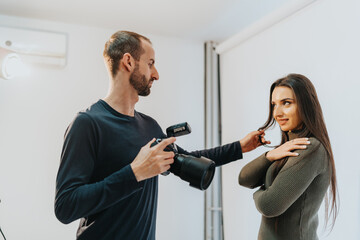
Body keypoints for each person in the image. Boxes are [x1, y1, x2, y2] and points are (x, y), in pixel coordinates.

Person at [54, 31, 265, 240]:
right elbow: (65, 206)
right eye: (150, 63)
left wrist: (240, 147)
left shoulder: (149, 126)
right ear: (128, 61)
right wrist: (134, 173)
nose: (156, 74)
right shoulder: (87, 123)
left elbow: (186, 159)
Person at [238, 74, 338, 240]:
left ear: (306, 104)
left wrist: (258, 192)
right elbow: (243, 178)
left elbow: (269, 205)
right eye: (274, 105)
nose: (277, 113)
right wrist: (269, 155)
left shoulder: (310, 148)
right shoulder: (288, 147)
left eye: (286, 103)